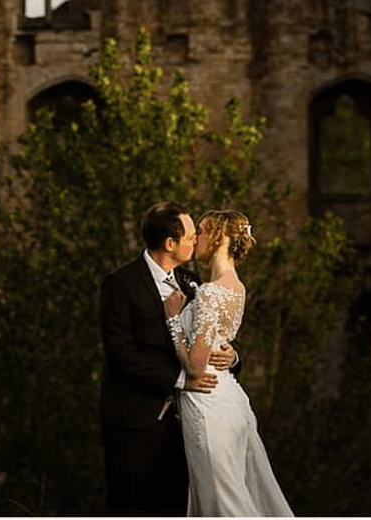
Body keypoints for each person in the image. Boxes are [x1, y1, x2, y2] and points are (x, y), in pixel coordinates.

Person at [99, 201, 240, 516]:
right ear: (170, 243)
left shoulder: (192, 282)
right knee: (132, 509)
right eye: (191, 235)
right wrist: (181, 380)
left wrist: (231, 355)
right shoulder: (121, 284)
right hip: (136, 423)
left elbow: (212, 332)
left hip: (187, 427)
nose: (196, 241)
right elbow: (120, 352)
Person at [164, 209, 293, 517]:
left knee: (225, 503)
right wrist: (231, 355)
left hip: (206, 401)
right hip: (232, 400)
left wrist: (172, 320)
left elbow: (196, 366)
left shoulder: (209, 292)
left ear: (220, 237)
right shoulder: (237, 287)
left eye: (203, 232)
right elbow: (220, 342)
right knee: (232, 494)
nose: (196, 240)